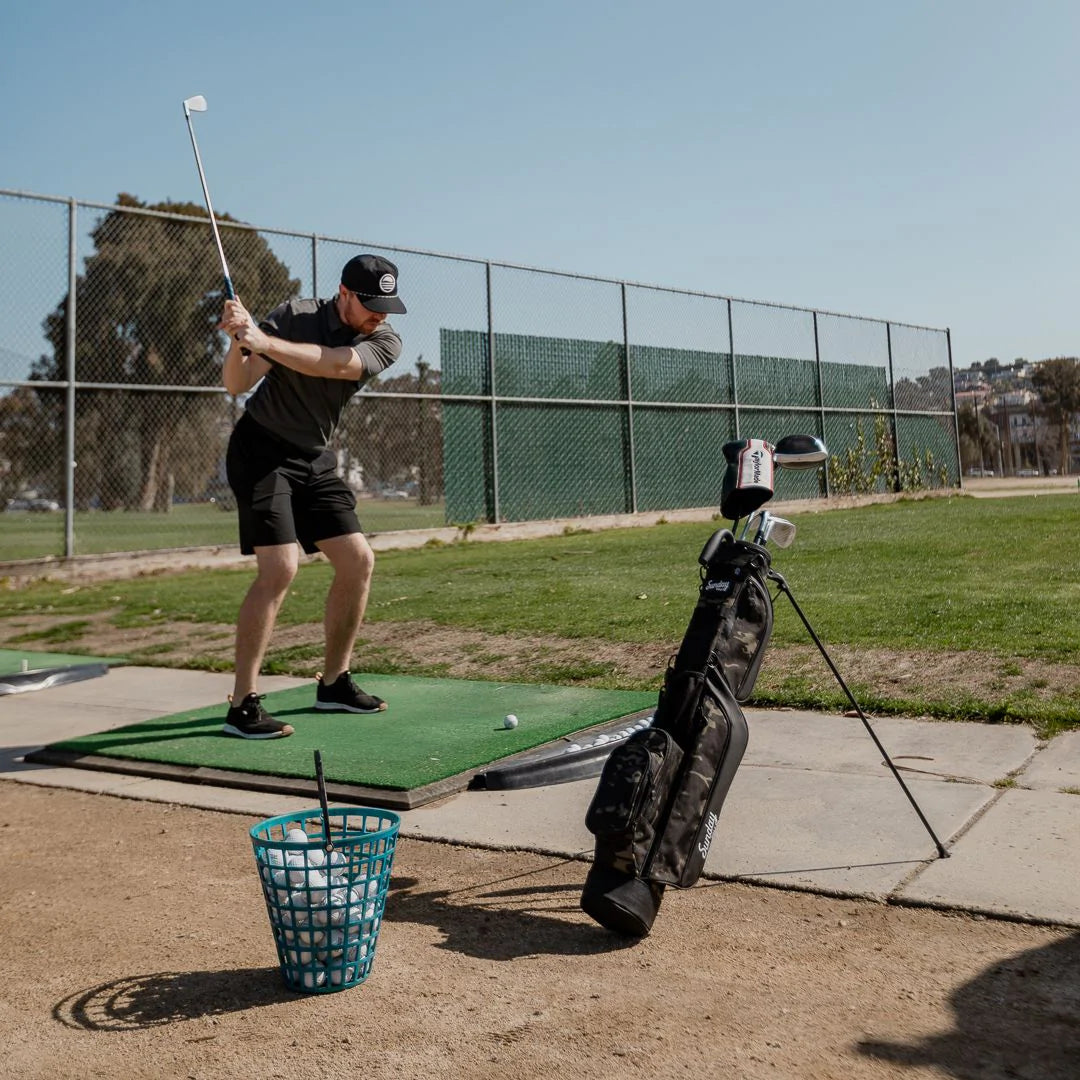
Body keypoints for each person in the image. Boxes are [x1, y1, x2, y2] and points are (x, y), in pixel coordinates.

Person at [216, 254, 406, 739]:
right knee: (280, 568)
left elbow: (335, 365)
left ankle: (334, 683)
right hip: (260, 450)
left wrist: (265, 340)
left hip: (313, 456)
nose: (379, 314)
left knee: (358, 560)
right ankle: (242, 704)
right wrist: (239, 341)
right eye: (370, 304)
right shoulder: (296, 316)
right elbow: (237, 382)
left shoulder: (384, 340)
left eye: (386, 304)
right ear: (343, 293)